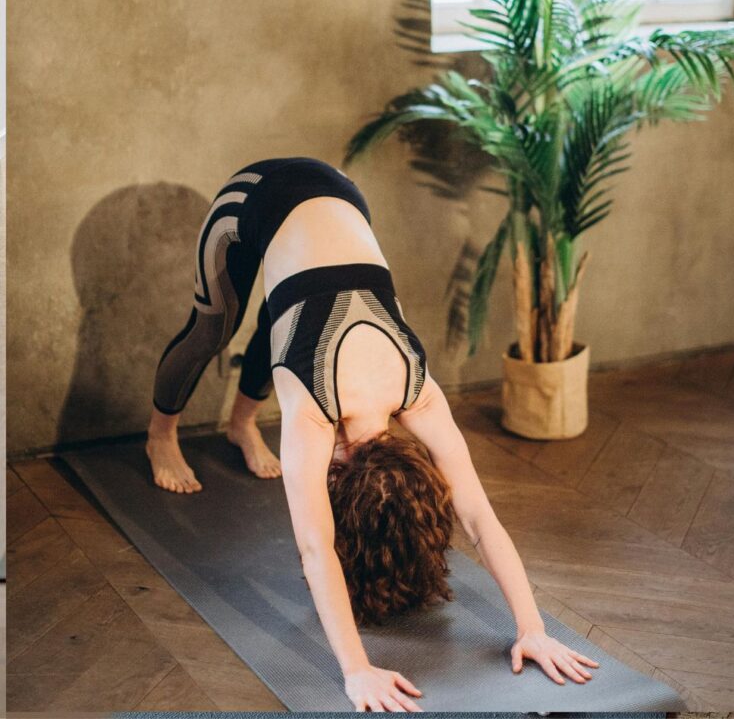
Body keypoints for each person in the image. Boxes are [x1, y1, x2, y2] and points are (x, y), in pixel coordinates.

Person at [145, 156, 600, 712]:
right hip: (258, 196)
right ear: (339, 474)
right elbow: (317, 549)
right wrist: (355, 670)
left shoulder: (417, 386)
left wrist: (533, 627)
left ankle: (240, 424)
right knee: (210, 329)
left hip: (345, 195)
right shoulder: (315, 410)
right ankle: (159, 435)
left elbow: (481, 519)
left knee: (282, 322)